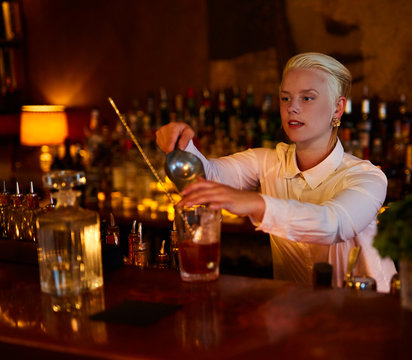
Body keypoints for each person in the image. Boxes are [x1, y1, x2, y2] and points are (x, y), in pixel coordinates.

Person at [156, 52, 396, 291]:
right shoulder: (267, 162)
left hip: (367, 314)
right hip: (297, 314)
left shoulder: (367, 177)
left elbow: (334, 224)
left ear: (337, 108)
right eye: (285, 98)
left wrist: (255, 203)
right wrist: (181, 144)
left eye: (307, 98)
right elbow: (207, 177)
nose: (292, 108)